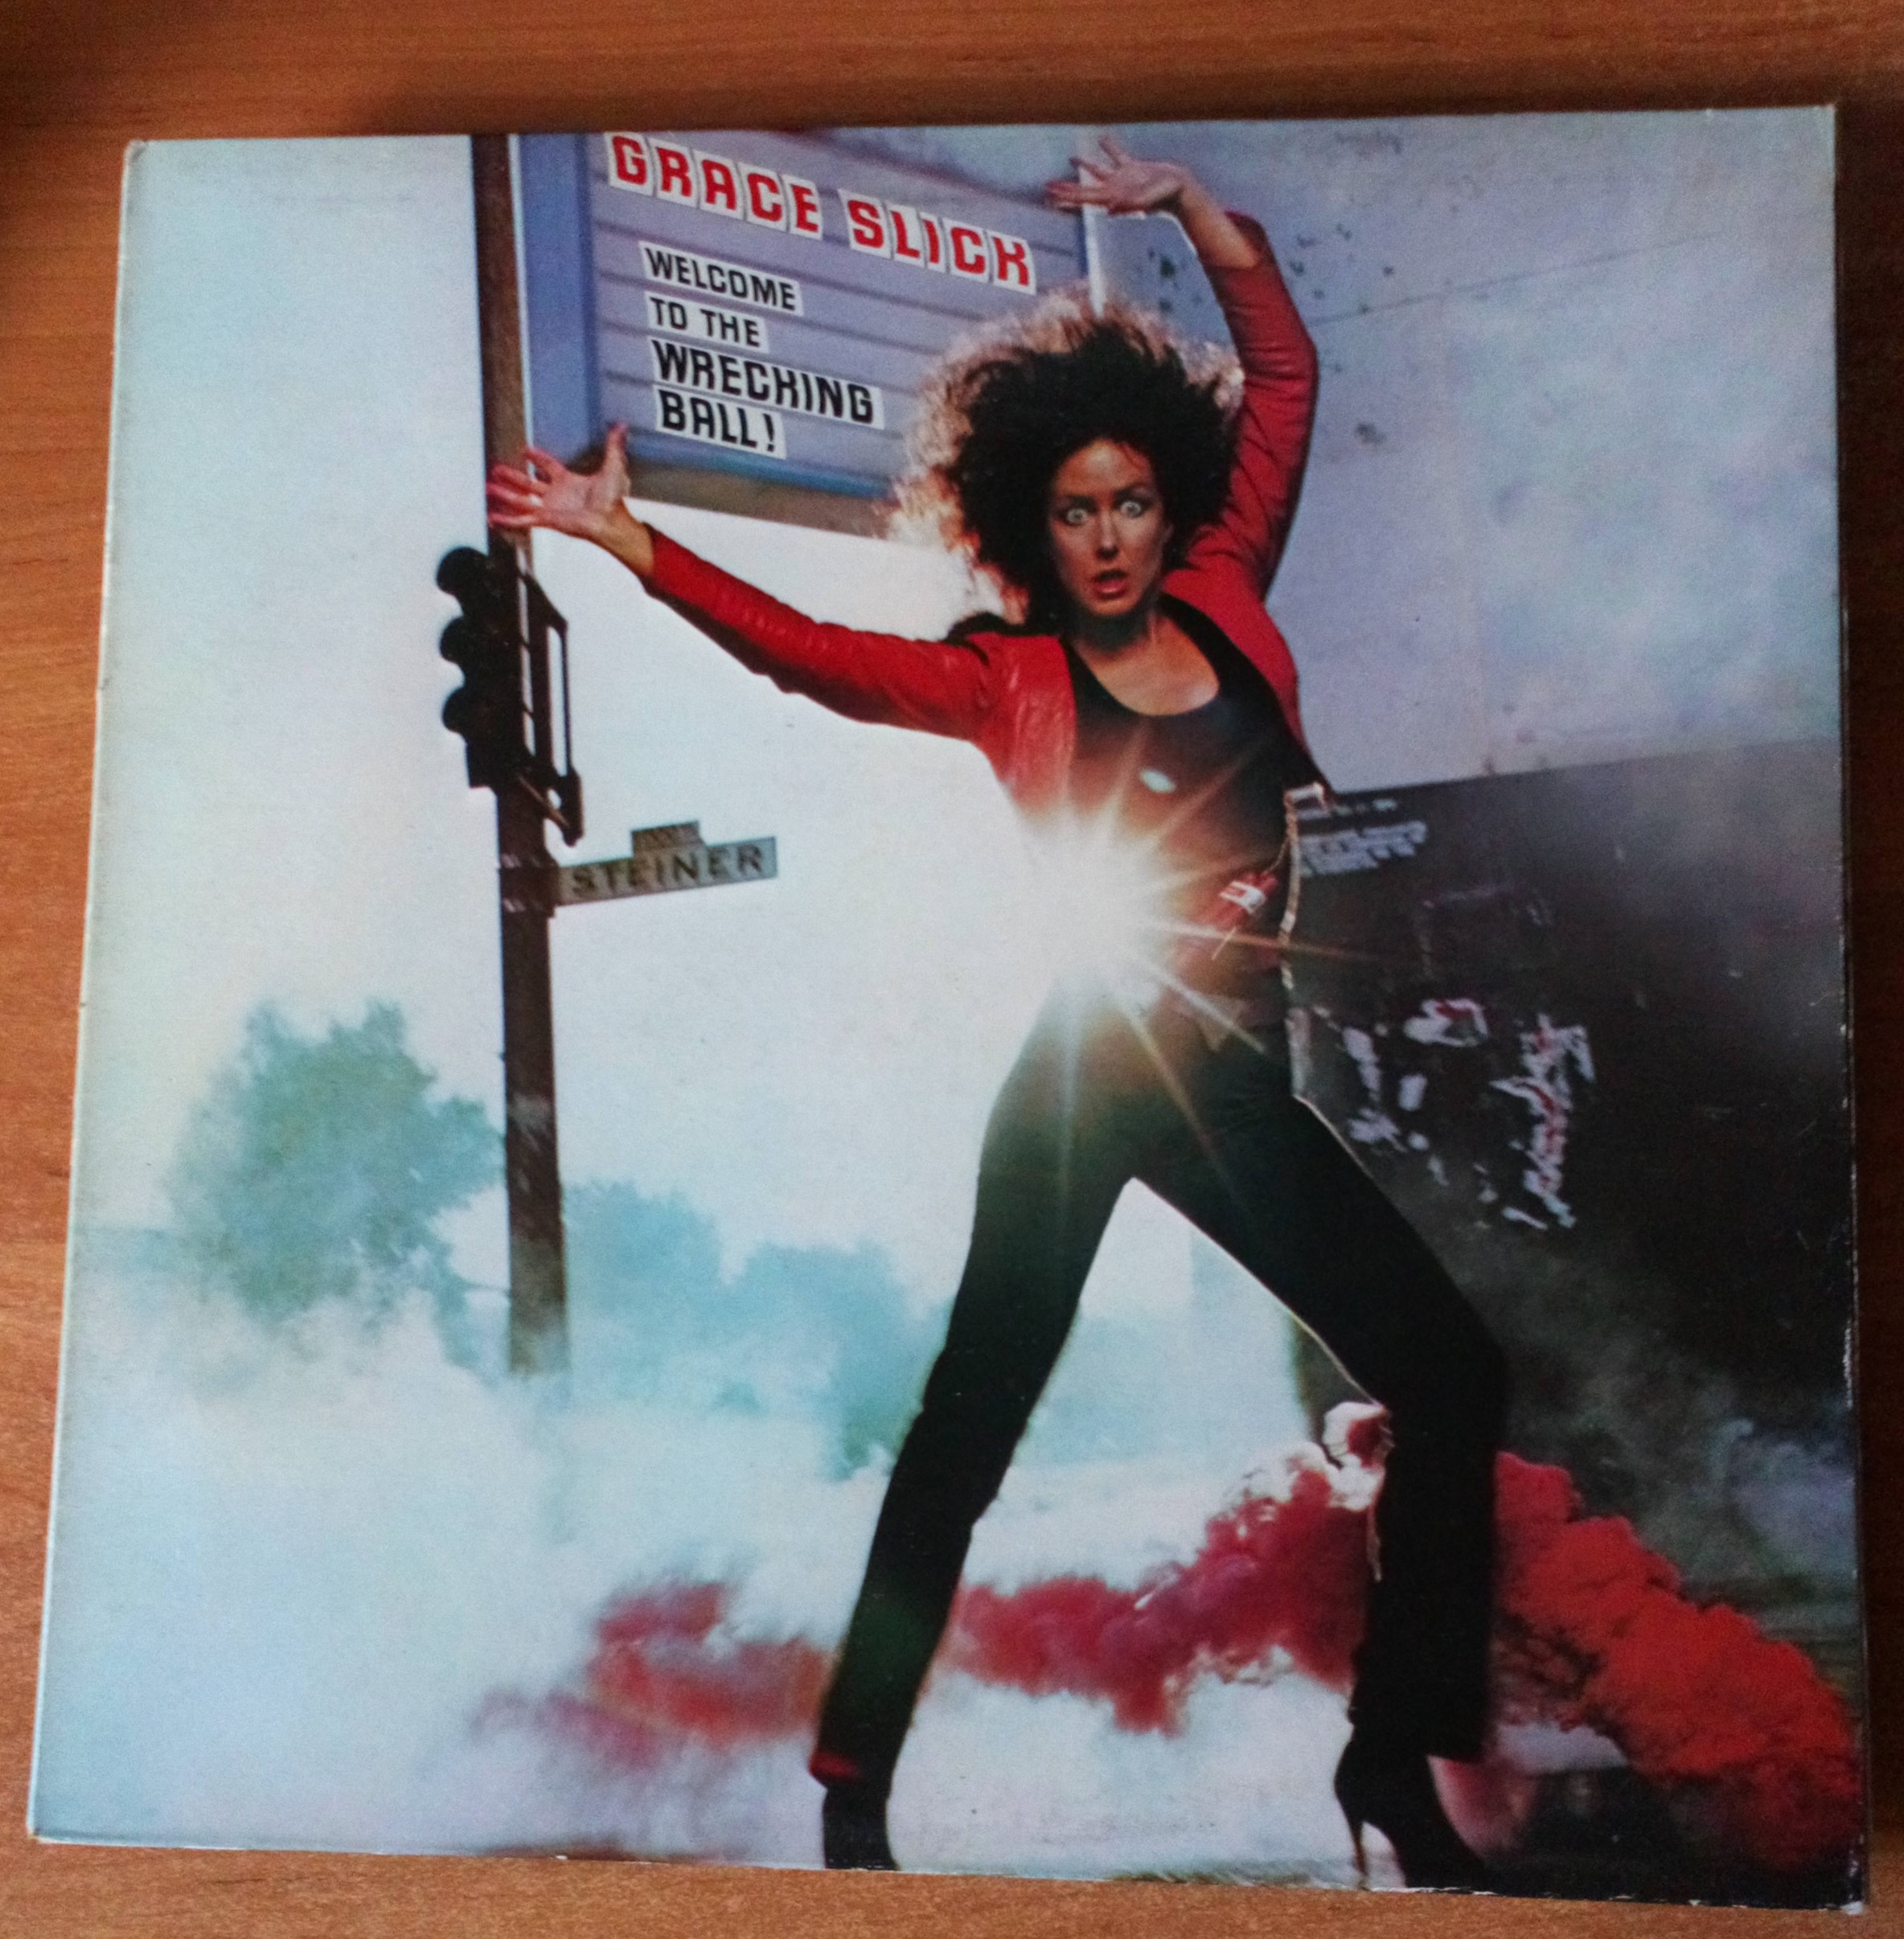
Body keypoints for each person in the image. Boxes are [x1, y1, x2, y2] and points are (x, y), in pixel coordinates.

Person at [487, 139, 1507, 1889]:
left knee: (1452, 1373)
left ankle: (1392, 1758)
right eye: (1075, 511)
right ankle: (852, 1781)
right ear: (1033, 520)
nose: (1107, 538)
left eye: (1132, 504)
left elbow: (1283, 377)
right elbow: (812, 656)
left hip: (1232, 1082)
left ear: (1170, 508)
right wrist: (629, 539)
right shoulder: (1009, 677)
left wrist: (1188, 209)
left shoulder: (1229, 600)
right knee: (973, 1421)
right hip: (1087, 1079)